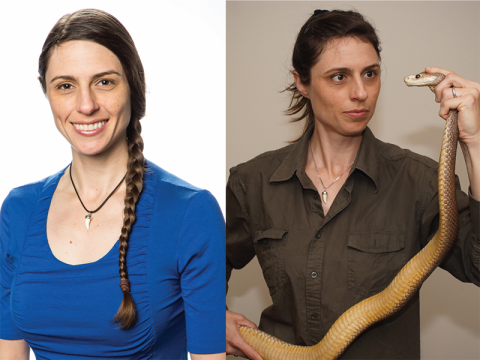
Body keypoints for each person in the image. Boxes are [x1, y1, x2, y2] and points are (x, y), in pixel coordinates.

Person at [226, 9, 480, 360]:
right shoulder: (252, 181)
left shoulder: (419, 180)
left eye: (370, 74)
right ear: (302, 82)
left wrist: (475, 142)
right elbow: (200, 267)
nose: (361, 93)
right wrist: (212, 317)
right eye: (339, 77)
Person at [0, 9, 225, 360]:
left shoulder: (190, 213)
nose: (86, 105)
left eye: (104, 82)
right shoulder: (18, 208)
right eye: (65, 86)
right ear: (47, 94)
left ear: (133, 87)